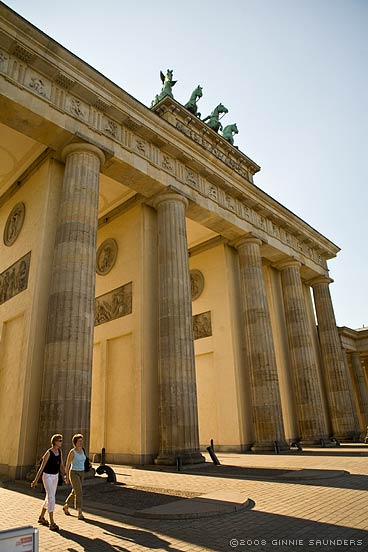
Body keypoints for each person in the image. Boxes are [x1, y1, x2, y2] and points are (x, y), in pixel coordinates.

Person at [31, 434, 66, 531]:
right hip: (47, 476)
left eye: (61, 440)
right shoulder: (48, 453)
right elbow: (41, 468)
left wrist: (65, 475)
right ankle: (52, 522)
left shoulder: (59, 451)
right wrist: (35, 480)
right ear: (54, 442)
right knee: (51, 497)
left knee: (49, 496)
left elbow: (61, 465)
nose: (61, 442)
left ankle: (41, 517)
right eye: (60, 440)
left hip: (55, 476)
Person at [63, 433, 88, 520]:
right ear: (75, 442)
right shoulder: (72, 452)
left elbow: (84, 460)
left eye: (82, 441)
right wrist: (66, 475)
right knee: (79, 492)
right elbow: (67, 464)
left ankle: (66, 506)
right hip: (74, 473)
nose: (81, 443)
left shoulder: (83, 450)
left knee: (75, 491)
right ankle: (79, 512)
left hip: (82, 472)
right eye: (79, 441)